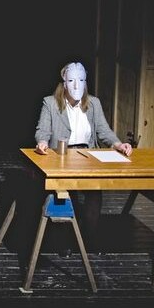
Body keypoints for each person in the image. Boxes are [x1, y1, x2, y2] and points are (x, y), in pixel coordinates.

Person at [34, 61, 133, 249]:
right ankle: (64, 240)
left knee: (94, 193)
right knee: (66, 193)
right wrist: (42, 142)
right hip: (62, 156)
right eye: (71, 80)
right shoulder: (50, 103)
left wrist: (118, 144)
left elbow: (104, 130)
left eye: (81, 80)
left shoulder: (93, 103)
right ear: (64, 82)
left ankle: (87, 239)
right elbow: (43, 130)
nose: (76, 85)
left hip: (88, 156)